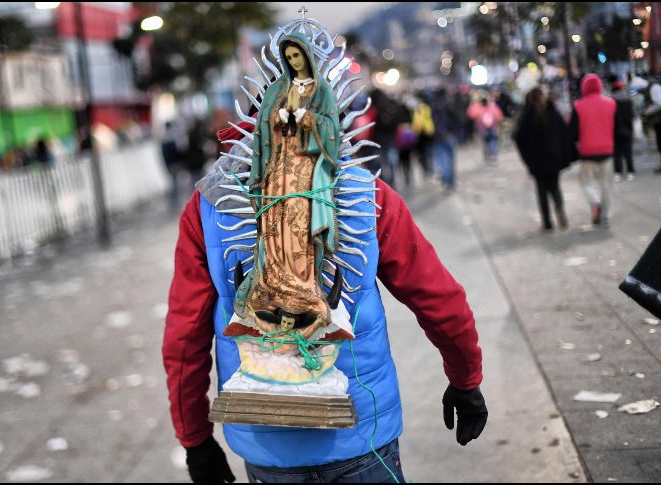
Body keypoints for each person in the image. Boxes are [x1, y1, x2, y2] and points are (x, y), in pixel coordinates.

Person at [164, 28, 487, 484]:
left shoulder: (207, 207)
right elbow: (439, 297)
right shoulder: (367, 195)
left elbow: (183, 340)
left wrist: (195, 440)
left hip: (267, 445)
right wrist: (466, 379)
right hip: (362, 438)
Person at [514, 88, 571, 232]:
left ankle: (547, 223)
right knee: (555, 187)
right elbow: (564, 133)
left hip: (536, 161)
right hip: (554, 158)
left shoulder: (526, 116)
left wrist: (527, 158)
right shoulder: (553, 112)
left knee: (541, 191)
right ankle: (559, 208)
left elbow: (518, 137)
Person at [570, 73, 616, 226]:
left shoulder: (578, 105)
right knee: (606, 185)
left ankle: (595, 202)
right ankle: (605, 216)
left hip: (587, 151)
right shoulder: (611, 103)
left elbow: (573, 132)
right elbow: (617, 127)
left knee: (586, 182)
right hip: (607, 150)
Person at [431, 87, 459, 192]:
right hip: (450, 135)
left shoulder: (434, 105)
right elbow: (456, 119)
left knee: (442, 160)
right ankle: (451, 182)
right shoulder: (450, 103)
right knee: (451, 160)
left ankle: (446, 182)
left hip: (439, 136)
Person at [467, 96, 504, 164]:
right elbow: (499, 116)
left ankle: (487, 155)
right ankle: (493, 154)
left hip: (483, 129)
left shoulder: (478, 108)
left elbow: (471, 115)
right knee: (493, 141)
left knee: (486, 142)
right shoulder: (493, 108)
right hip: (493, 127)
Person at [611, 81, 636, 182]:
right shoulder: (629, 101)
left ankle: (618, 173)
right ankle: (630, 172)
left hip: (614, 130)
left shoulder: (610, 101)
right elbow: (634, 115)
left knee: (616, 153)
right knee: (628, 152)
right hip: (628, 129)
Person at [412, 93, 435, 178]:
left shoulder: (419, 108)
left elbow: (418, 122)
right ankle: (431, 169)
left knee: (423, 155)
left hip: (422, 135)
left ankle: (427, 170)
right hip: (430, 132)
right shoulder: (428, 107)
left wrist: (415, 133)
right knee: (430, 153)